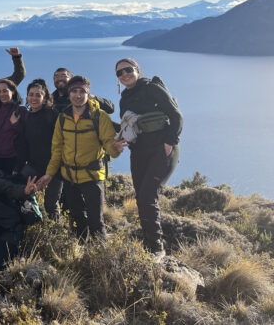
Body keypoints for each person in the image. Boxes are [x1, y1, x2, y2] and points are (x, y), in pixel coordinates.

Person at [37, 76, 123, 240]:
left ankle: (101, 258)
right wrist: (49, 174)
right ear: (69, 94)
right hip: (69, 178)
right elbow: (57, 149)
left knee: (96, 221)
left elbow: (109, 144)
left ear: (88, 93)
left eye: (82, 91)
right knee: (76, 219)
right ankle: (81, 253)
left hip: (92, 177)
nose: (78, 95)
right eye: (74, 91)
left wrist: (115, 149)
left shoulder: (99, 116)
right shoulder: (63, 118)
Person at [113, 58, 182, 257]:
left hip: (162, 150)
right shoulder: (124, 97)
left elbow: (176, 116)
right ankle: (149, 243)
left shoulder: (152, 88)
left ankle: (156, 248)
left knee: (147, 196)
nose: (125, 74)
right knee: (141, 198)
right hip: (139, 152)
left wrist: (169, 142)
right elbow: (128, 126)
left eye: (128, 69)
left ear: (137, 70)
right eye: (120, 73)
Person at [16, 79, 61, 219]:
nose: (34, 98)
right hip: (34, 166)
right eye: (31, 94)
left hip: (55, 167)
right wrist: (18, 166)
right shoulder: (26, 117)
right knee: (19, 188)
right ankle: (31, 221)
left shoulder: (52, 114)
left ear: (44, 97)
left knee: (50, 204)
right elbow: (23, 145)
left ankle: (55, 232)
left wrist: (52, 171)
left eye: (38, 95)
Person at [0, 79, 24, 173]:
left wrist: (15, 124)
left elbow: (25, 135)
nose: (2, 94)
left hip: (14, 159)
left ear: (13, 91)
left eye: (5, 91)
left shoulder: (21, 110)